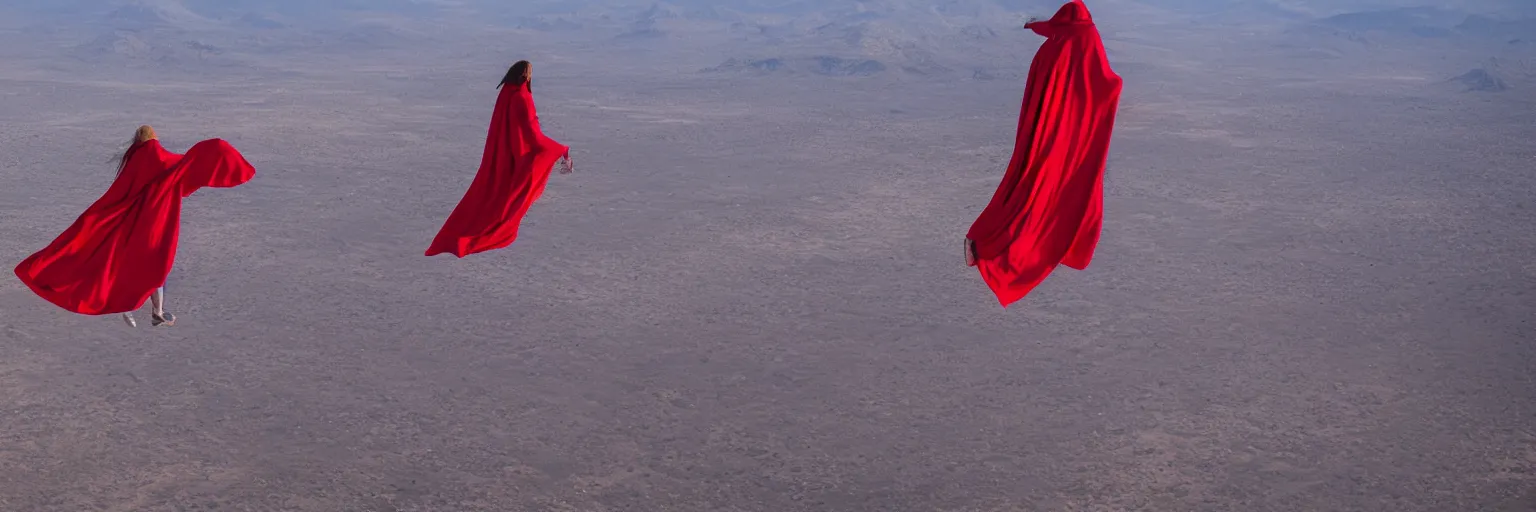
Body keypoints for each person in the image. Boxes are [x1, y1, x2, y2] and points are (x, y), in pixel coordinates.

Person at [14, 125, 257, 326]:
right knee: (155, 265)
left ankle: (153, 312)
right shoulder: (156, 157)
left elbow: (126, 190)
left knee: (143, 265)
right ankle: (152, 312)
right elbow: (180, 169)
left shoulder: (137, 159)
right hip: (154, 222)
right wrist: (210, 149)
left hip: (135, 222)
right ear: (154, 138)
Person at [965, 0, 1123, 307]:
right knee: (1071, 186)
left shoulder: (1057, 45)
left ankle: (990, 244)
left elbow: (1053, 30)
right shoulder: (1087, 38)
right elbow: (1104, 82)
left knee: (1030, 181)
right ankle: (1058, 245)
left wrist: (1032, 25)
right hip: (1073, 135)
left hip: (1048, 133)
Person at [426, 60, 574, 258]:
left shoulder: (507, 93)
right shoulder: (521, 97)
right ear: (525, 76)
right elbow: (532, 135)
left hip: (507, 158)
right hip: (519, 160)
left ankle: (455, 239)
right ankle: (468, 240)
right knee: (507, 208)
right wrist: (561, 149)